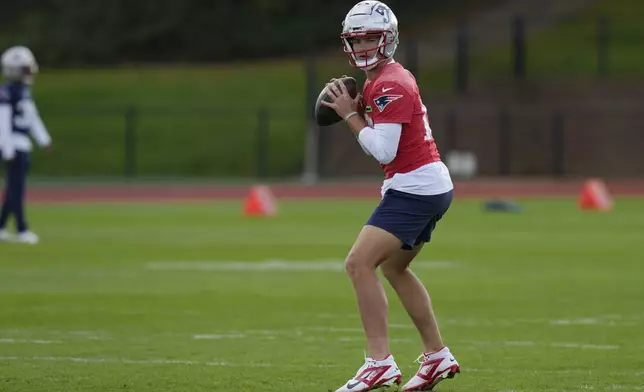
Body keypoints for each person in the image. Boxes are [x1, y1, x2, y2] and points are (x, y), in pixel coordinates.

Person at [320, 2, 460, 391]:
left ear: (388, 39)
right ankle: (436, 356)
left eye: (370, 38)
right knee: (394, 268)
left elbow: (384, 150)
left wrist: (350, 115)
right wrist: (357, 108)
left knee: (357, 264)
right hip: (425, 184)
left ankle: (378, 362)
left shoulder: (389, 82)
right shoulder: (384, 78)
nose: (363, 45)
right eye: (357, 39)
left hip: (414, 186)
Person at [0, 46, 52, 245]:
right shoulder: (7, 92)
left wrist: (44, 139)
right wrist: (6, 148)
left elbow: (32, 119)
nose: (29, 73)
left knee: (13, 188)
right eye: (25, 69)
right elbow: (2, 122)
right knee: (16, 189)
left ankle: (1, 225)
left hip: (22, 143)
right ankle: (22, 228)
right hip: (13, 144)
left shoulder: (23, 92)